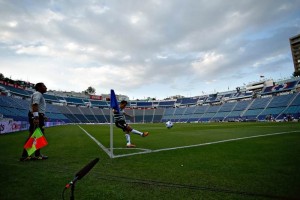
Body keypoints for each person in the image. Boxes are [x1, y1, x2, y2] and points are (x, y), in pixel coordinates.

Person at [20, 82, 48, 161]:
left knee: (38, 135)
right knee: (33, 135)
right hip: (36, 116)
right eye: (44, 86)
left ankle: (37, 154)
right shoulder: (38, 94)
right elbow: (35, 105)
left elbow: (37, 107)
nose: (46, 87)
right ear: (39, 87)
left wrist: (42, 116)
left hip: (38, 116)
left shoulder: (39, 94)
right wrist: (36, 117)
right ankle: (25, 155)